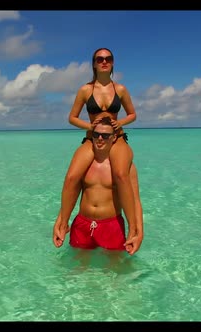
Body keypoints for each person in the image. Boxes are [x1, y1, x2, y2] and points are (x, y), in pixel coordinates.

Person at [57, 47, 140, 253]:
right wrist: (89, 127)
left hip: (116, 138)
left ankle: (132, 230)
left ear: (113, 63)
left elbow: (132, 114)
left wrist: (119, 123)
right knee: (71, 177)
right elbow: (72, 117)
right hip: (92, 138)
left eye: (108, 59)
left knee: (121, 175)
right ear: (93, 63)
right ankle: (63, 223)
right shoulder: (86, 90)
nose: (104, 61)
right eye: (99, 59)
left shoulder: (120, 89)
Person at [53, 117, 144, 255]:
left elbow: (135, 200)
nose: (100, 138)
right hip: (82, 225)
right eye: (96, 135)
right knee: (76, 274)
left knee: (116, 274)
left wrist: (139, 231)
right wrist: (60, 223)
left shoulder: (126, 167)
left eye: (105, 135)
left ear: (114, 138)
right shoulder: (84, 164)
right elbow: (71, 194)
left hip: (112, 227)